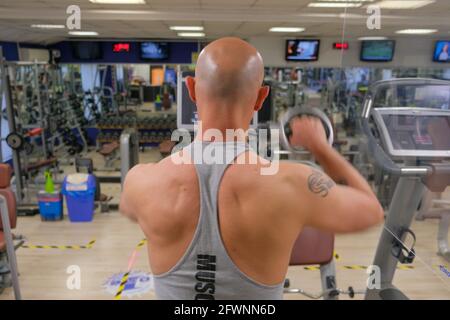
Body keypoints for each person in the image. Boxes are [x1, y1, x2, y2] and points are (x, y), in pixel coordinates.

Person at [120, 37, 384, 300]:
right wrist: (322, 148)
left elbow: (130, 210)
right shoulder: (294, 184)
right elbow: (371, 211)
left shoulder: (141, 181)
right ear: (261, 97)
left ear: (190, 89)